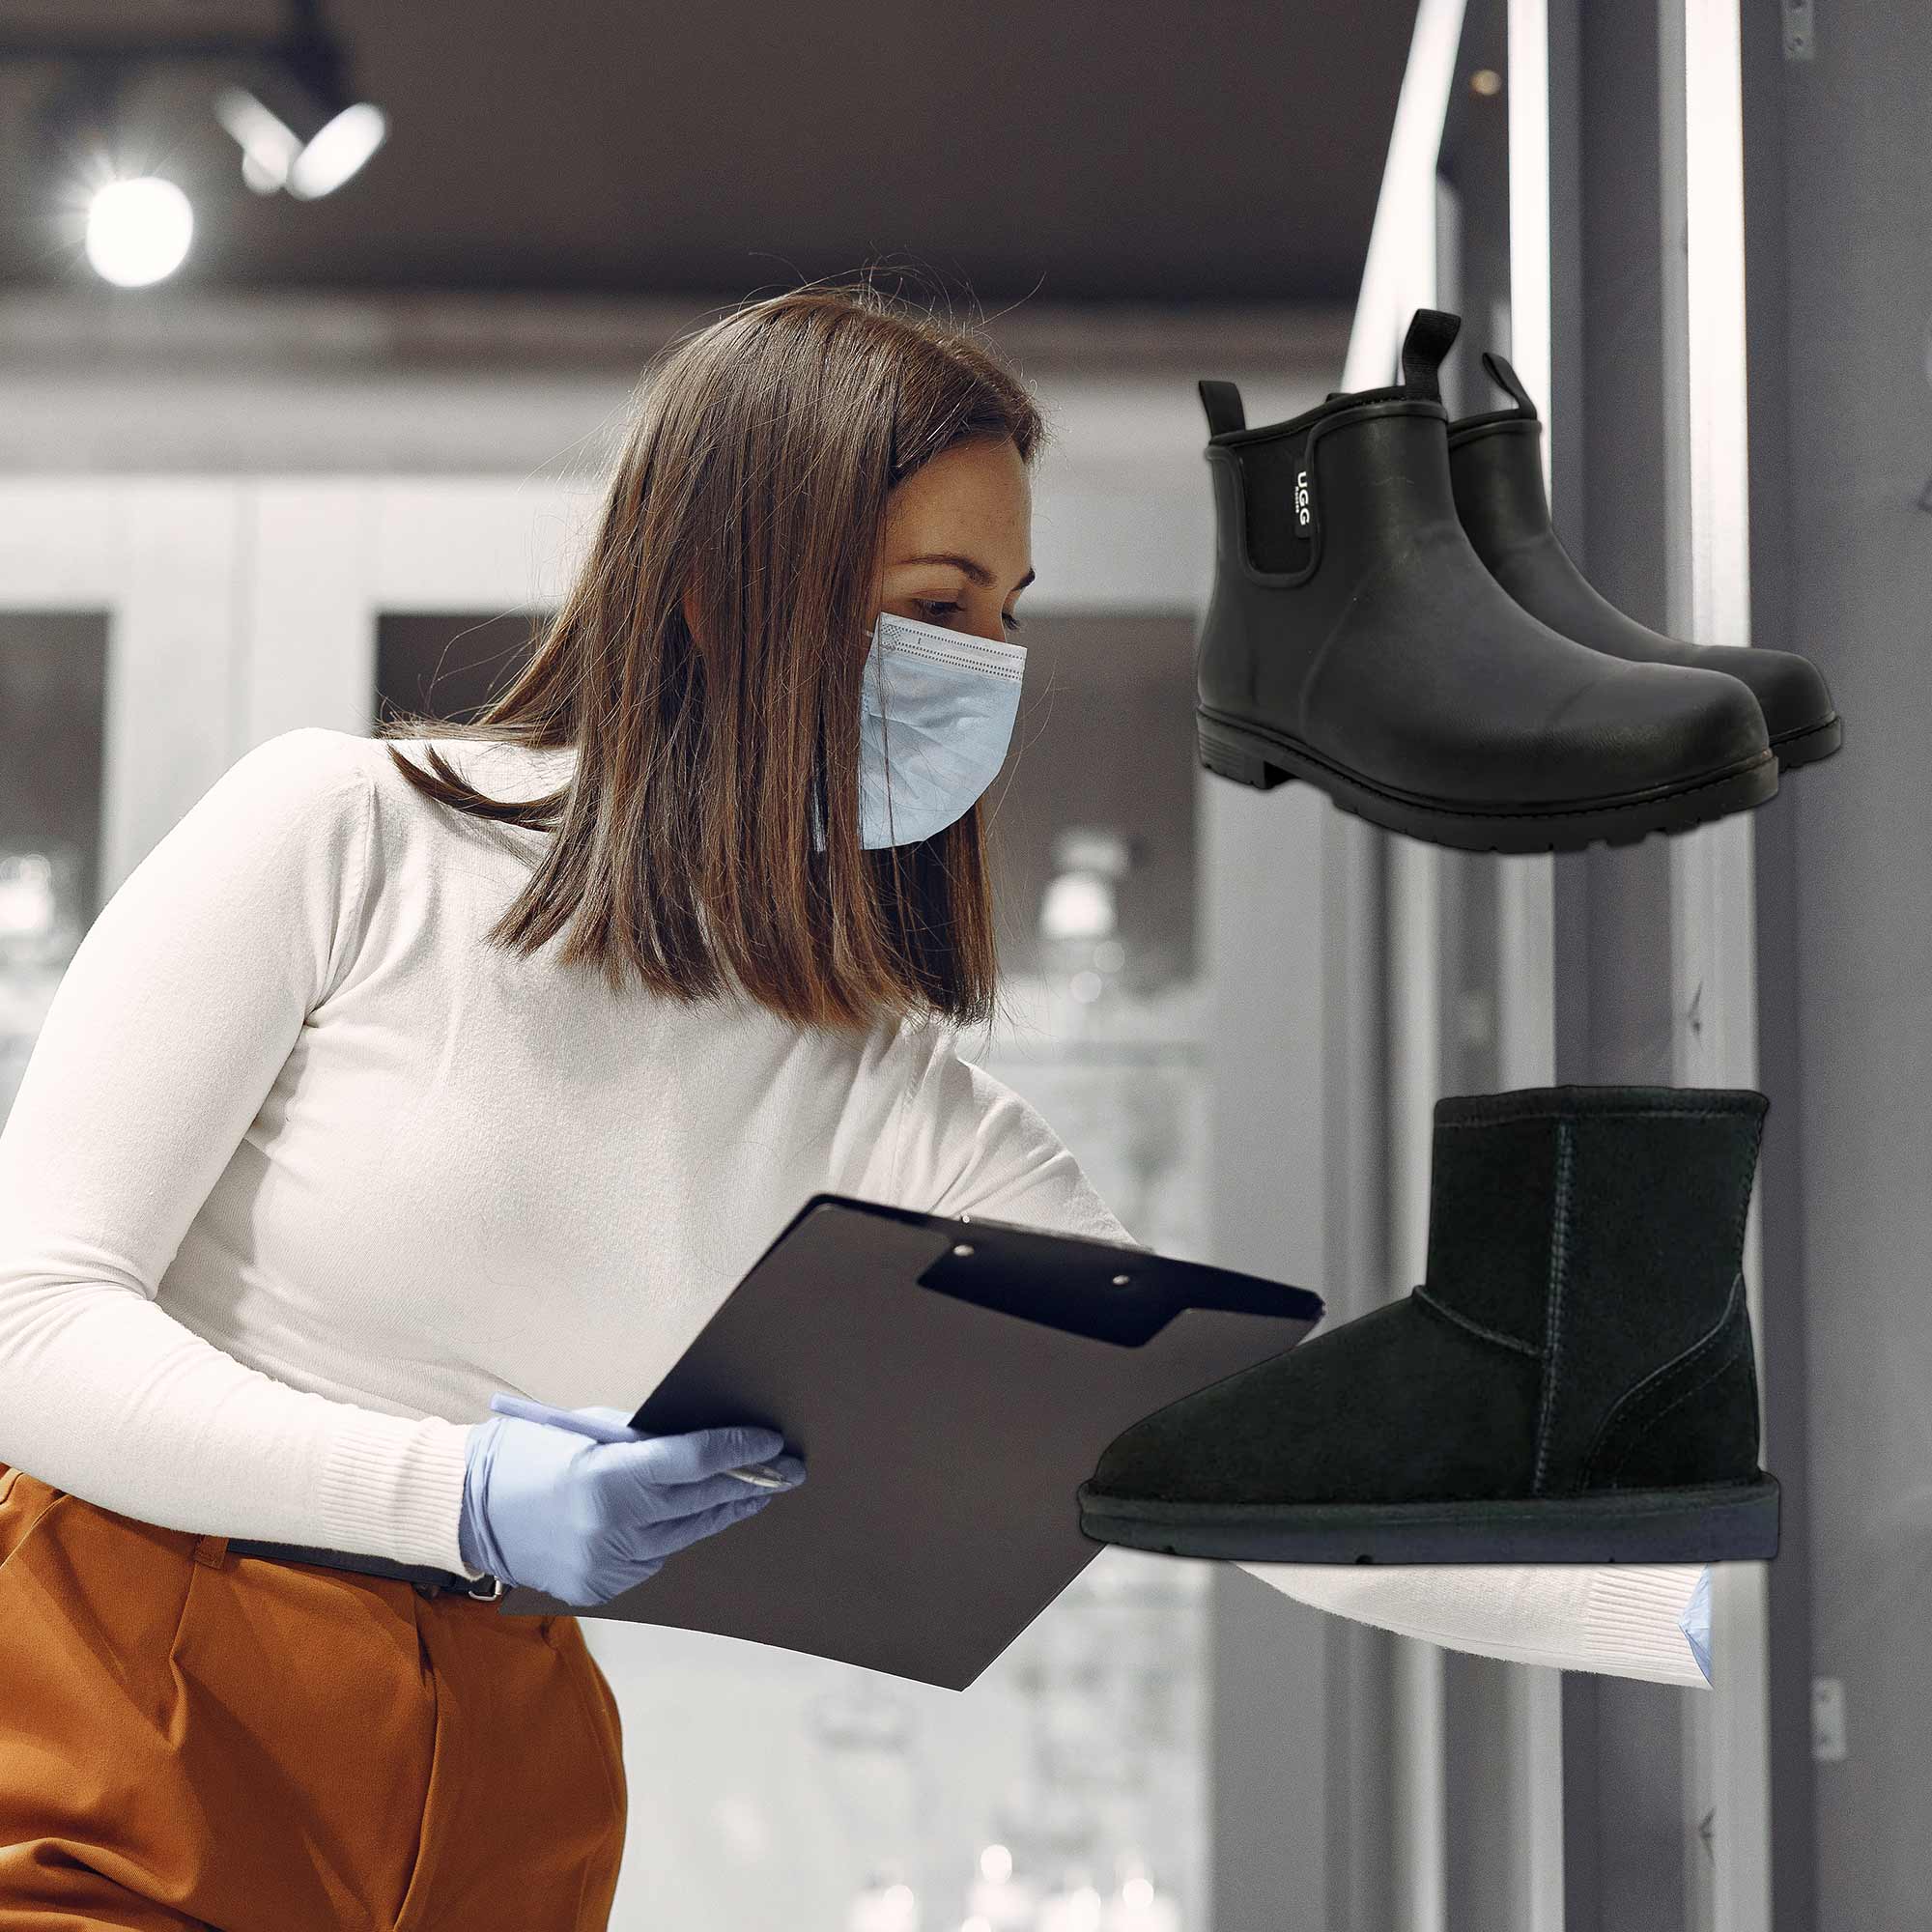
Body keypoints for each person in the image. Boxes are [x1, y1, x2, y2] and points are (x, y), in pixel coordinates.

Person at [0, 280, 1706, 1931]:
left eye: (1010, 613)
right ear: (714, 593)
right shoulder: (349, 840)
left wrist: (1713, 1608)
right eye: (936, 606)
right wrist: (454, 1491)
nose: (992, 665)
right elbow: (31, 1318)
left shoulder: (892, 1100)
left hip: (499, 1777)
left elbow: (1234, 1457)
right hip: (120, 1706)